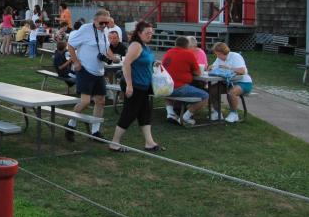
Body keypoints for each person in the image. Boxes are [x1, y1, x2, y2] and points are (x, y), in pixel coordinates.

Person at [109, 21, 163, 152]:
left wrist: (155, 63)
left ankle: (149, 142)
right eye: (147, 33)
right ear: (139, 33)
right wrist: (129, 85)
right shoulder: (136, 45)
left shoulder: (145, 46)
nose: (150, 35)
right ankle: (114, 143)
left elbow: (143, 62)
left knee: (145, 113)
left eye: (151, 33)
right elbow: (126, 64)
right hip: (135, 85)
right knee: (129, 113)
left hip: (144, 85)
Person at [65, 9, 113, 141]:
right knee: (85, 102)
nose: (104, 26)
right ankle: (71, 124)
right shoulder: (85, 29)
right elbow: (70, 45)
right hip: (85, 70)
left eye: (106, 23)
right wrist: (76, 62)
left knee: (101, 101)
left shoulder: (105, 31)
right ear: (95, 20)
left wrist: (112, 56)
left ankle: (95, 132)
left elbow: (105, 47)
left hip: (99, 71)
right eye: (101, 23)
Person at [162, 36, 210, 125]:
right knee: (205, 96)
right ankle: (185, 117)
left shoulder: (169, 52)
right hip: (178, 87)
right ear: (187, 45)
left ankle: (171, 113)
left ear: (175, 44)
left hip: (165, 86)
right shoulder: (188, 54)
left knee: (169, 90)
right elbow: (198, 73)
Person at [209, 42, 253, 123]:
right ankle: (217, 112)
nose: (217, 56)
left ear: (223, 52)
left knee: (232, 92)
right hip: (227, 82)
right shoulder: (219, 58)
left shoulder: (235, 56)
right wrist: (211, 68)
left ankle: (234, 113)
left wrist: (229, 68)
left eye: (218, 54)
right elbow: (213, 66)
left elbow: (242, 71)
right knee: (212, 90)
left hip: (243, 82)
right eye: (216, 54)